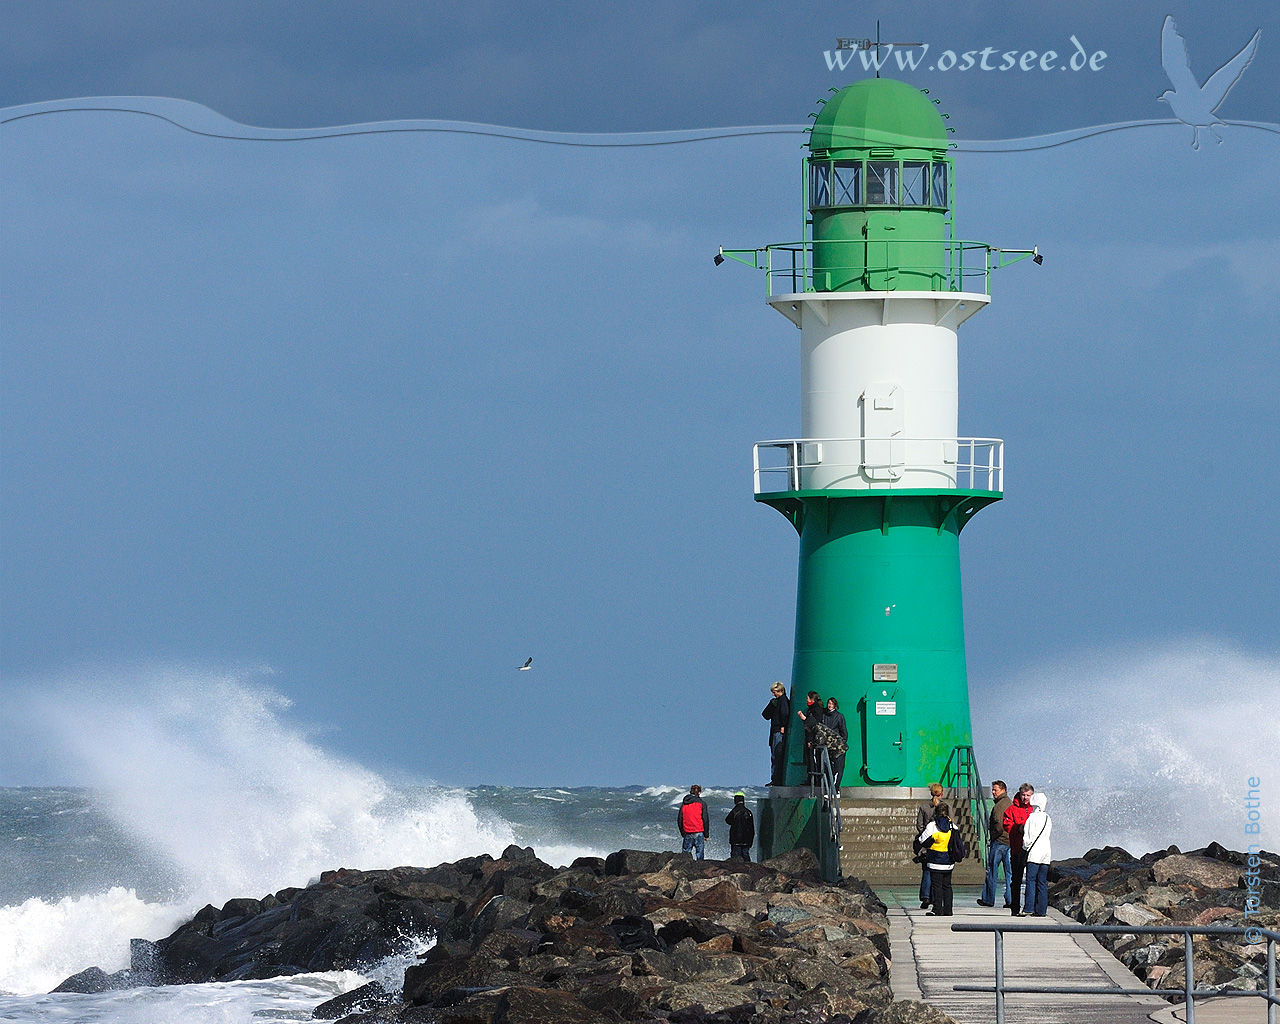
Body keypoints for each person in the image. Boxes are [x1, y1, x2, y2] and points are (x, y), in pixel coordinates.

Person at [917, 802, 957, 916]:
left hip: (935, 860)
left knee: (937, 886)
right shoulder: (952, 826)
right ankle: (948, 910)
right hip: (949, 860)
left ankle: (937, 909)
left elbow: (922, 840)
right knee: (947, 886)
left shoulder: (932, 826)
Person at [978, 780, 1013, 908]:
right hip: (1010, 842)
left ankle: (988, 899)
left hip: (999, 842)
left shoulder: (999, 806)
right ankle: (1010, 899)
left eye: (995, 790)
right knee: (1009, 873)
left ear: (1003, 790)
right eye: (993, 790)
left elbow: (998, 823)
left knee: (992, 870)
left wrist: (993, 836)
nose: (993, 792)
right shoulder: (1009, 803)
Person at [1004, 783, 1035, 916]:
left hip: (1033, 851)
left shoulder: (1035, 809)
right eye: (1023, 795)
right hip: (1017, 850)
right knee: (1016, 880)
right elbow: (1007, 826)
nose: (1025, 798)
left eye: (1028, 795)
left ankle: (1030, 907)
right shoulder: (1011, 810)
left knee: (1031, 879)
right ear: (1019, 794)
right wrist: (1018, 828)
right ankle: (1015, 908)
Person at [1021, 792, 1052, 917]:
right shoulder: (1047, 818)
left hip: (1034, 854)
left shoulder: (1032, 817)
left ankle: (1028, 907)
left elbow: (1027, 839)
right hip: (1046, 853)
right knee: (1042, 882)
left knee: (1031, 880)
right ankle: (1041, 910)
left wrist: (1024, 850)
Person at [915, 782, 944, 909]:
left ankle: (925, 897)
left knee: (926, 870)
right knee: (938, 872)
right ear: (941, 793)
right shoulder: (945, 807)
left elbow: (919, 825)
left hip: (927, 842)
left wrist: (925, 836)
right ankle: (935, 897)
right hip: (941, 842)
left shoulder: (924, 807)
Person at [761, 682, 790, 785]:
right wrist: (771, 705)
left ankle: (776, 780)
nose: (773, 694)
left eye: (774, 692)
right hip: (775, 731)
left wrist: (783, 726)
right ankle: (775, 779)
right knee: (775, 756)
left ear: (780, 691)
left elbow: (785, 714)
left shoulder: (783, 701)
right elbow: (765, 715)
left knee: (777, 756)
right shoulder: (777, 702)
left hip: (778, 731)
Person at [796, 691, 825, 785]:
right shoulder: (812, 709)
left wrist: (803, 718)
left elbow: (814, 725)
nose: (806, 699)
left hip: (813, 738)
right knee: (809, 760)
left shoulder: (816, 710)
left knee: (814, 760)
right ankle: (811, 779)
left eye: (807, 698)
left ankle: (815, 781)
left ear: (812, 699)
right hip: (810, 737)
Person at [677, 784, 710, 860]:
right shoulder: (702, 803)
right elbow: (705, 819)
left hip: (687, 832)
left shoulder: (684, 804)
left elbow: (679, 819)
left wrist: (682, 832)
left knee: (685, 856)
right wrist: (706, 834)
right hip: (698, 831)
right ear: (699, 792)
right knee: (699, 855)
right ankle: (699, 869)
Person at [823, 697, 848, 788]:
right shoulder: (824, 716)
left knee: (838, 768)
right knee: (827, 768)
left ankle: (835, 789)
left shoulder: (839, 716)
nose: (830, 705)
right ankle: (829, 788)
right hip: (827, 747)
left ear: (835, 705)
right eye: (829, 703)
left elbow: (844, 732)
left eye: (832, 704)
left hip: (837, 746)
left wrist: (840, 743)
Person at [725, 792, 755, 861]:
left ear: (735, 801)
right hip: (746, 840)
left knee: (736, 858)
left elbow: (727, 820)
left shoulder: (734, 811)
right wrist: (751, 841)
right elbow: (751, 829)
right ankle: (748, 870)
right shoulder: (748, 812)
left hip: (735, 840)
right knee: (746, 856)